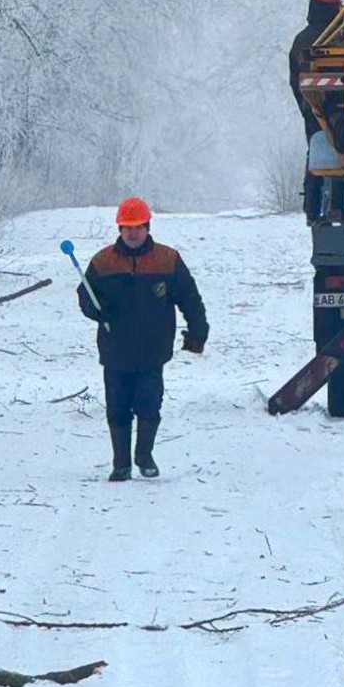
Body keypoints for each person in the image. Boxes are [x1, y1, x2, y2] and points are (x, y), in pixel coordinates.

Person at [77, 198, 209, 481]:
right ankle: (121, 464)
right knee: (118, 408)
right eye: (127, 227)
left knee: (149, 405)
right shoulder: (103, 262)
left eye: (138, 227)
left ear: (147, 227)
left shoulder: (167, 260)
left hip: (153, 350)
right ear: (120, 229)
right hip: (116, 349)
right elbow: (85, 295)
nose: (133, 233)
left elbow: (190, 298)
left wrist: (198, 332)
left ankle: (144, 455)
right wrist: (96, 310)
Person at [289, 0, 344, 222]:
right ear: (336, 8)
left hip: (313, 107)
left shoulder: (301, 39)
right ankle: (339, 207)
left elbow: (294, 79)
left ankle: (312, 209)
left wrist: (307, 107)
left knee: (315, 153)